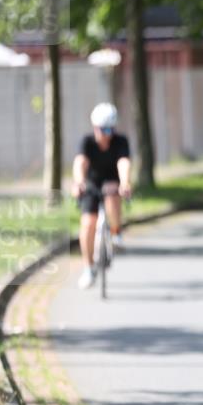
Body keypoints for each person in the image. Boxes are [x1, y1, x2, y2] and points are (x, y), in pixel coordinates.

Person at [71, 103, 132, 290]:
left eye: (110, 129)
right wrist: (78, 182)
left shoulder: (120, 141)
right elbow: (80, 162)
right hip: (92, 184)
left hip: (112, 182)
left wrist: (125, 182)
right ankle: (88, 268)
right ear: (95, 127)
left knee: (113, 196)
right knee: (87, 224)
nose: (107, 134)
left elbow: (123, 162)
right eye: (103, 129)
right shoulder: (87, 142)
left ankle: (116, 233)